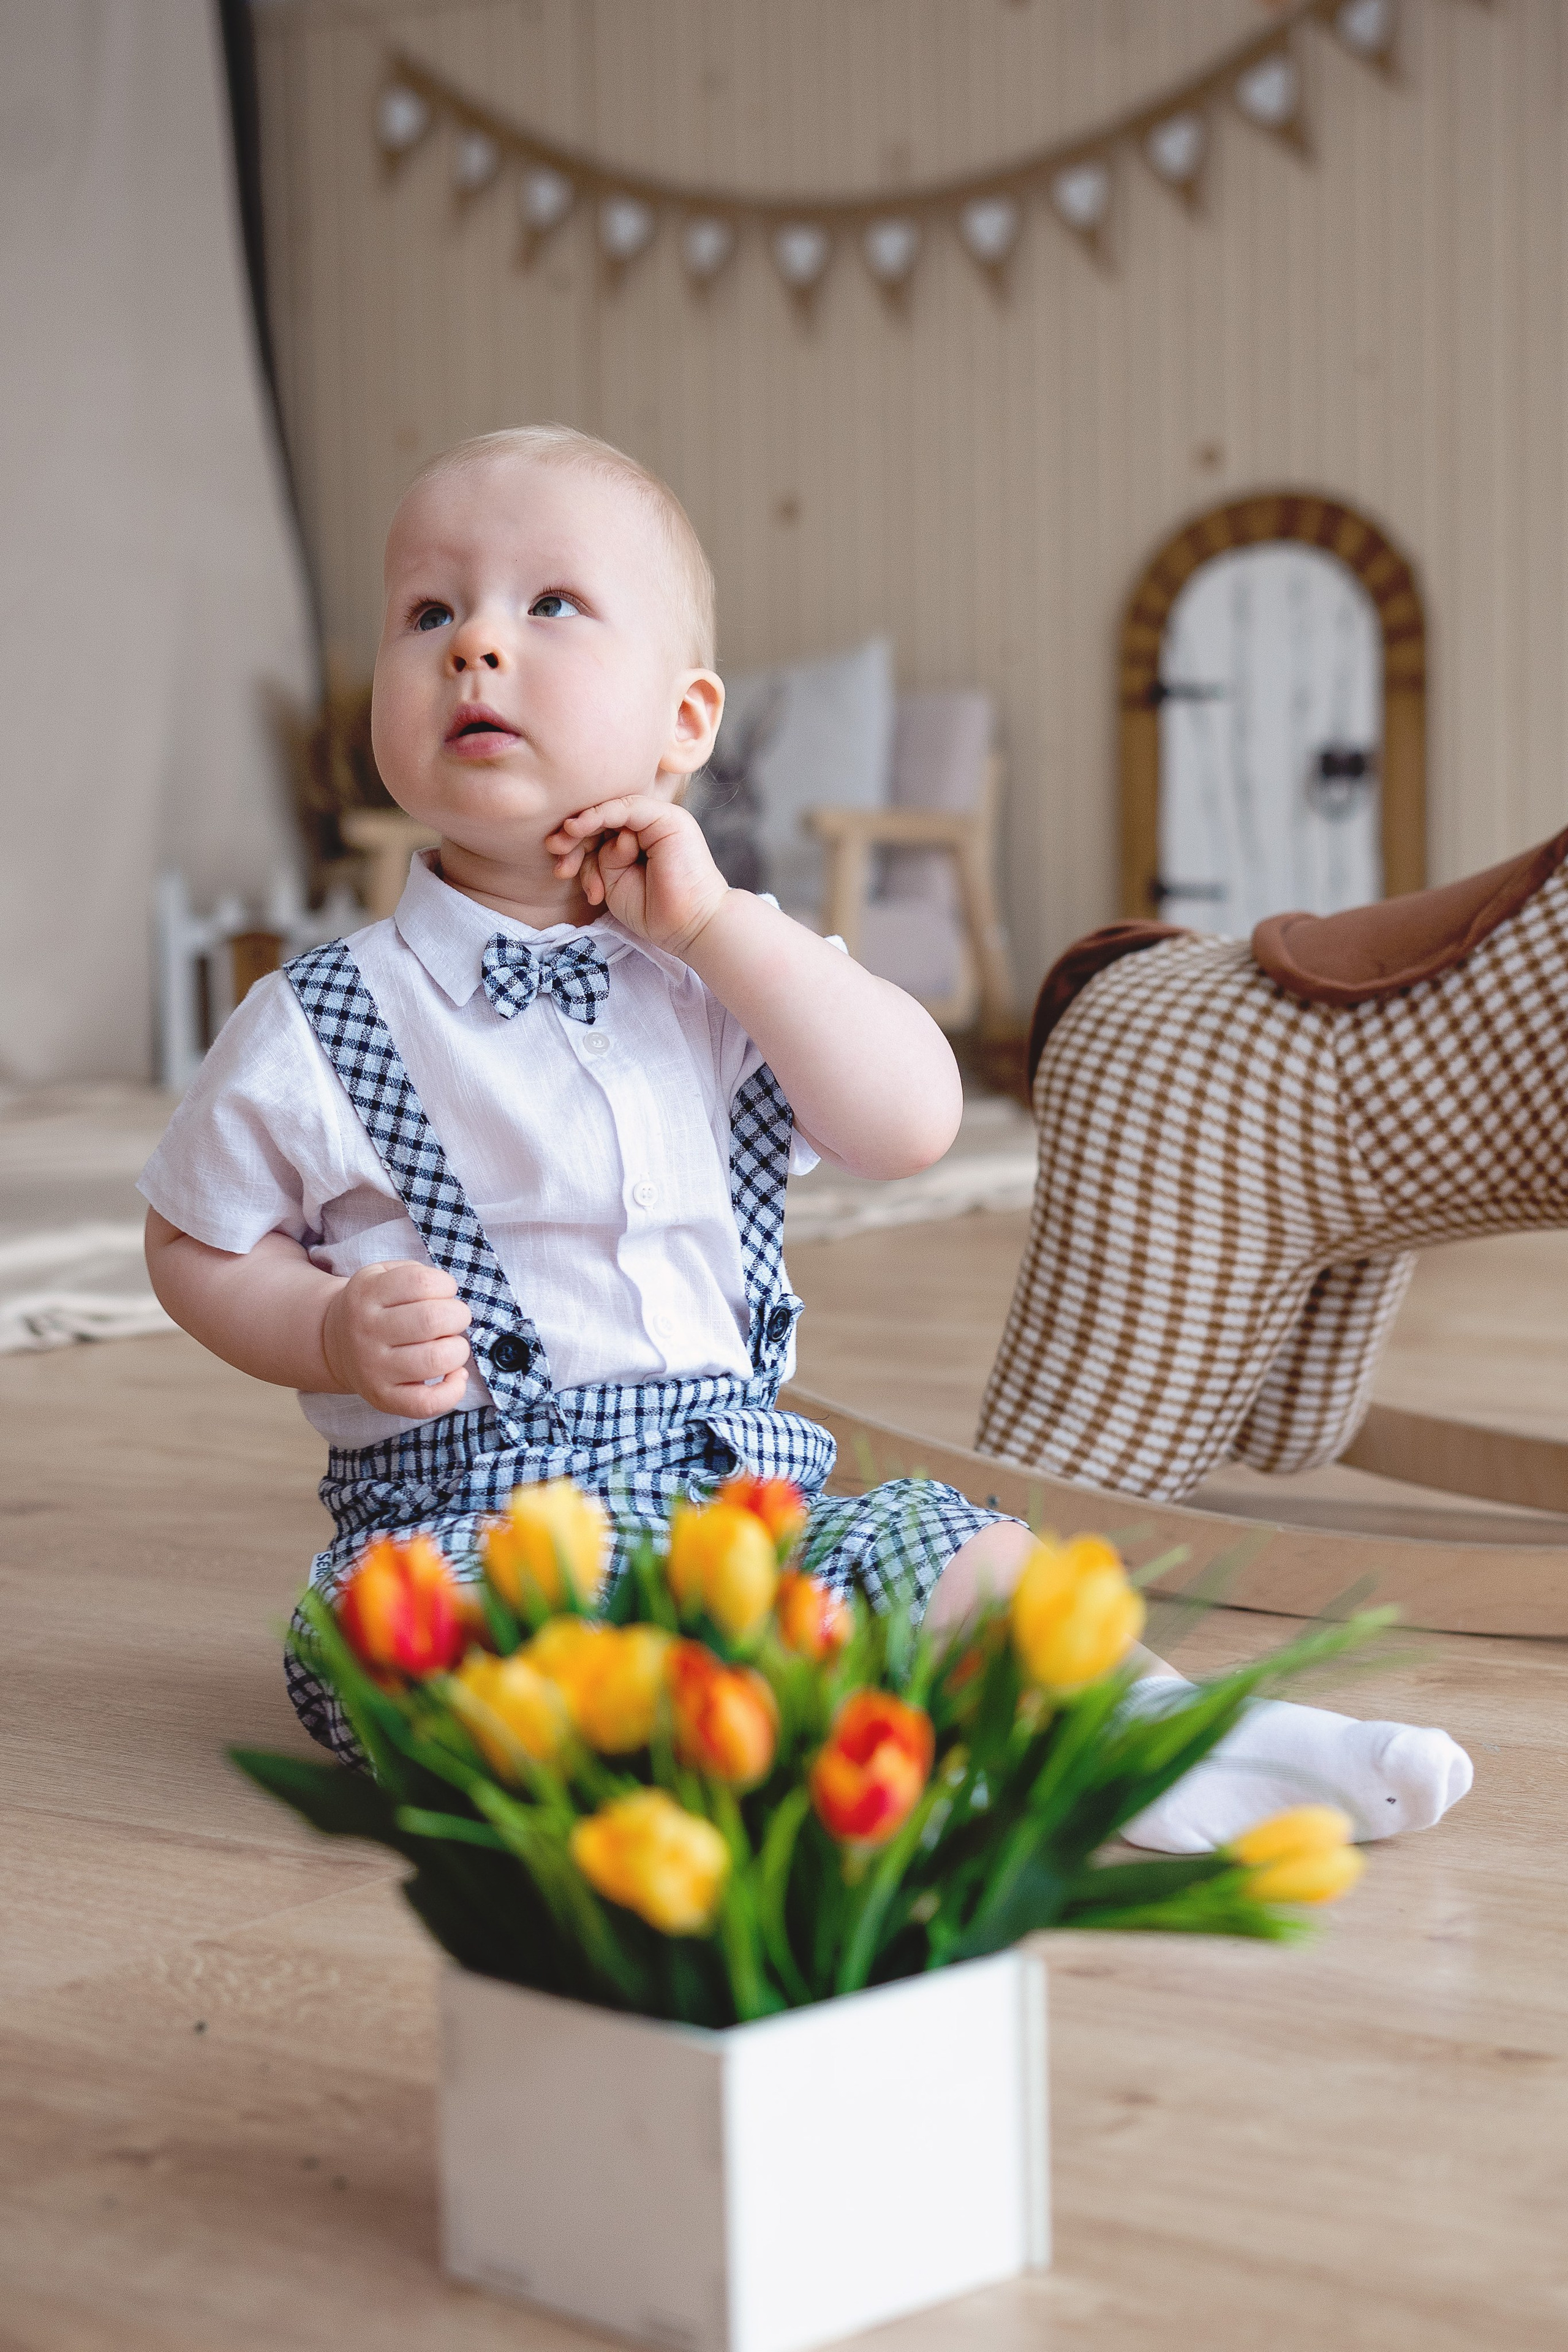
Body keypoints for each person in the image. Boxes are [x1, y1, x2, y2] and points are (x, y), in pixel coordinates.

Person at [140, 424, 1470, 1849]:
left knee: (968, 1554)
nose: (474, 645)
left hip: (747, 1512)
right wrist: (328, 1329)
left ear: (685, 723)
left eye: (549, 606)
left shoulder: (721, 977)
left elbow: (912, 1121)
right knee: (403, 1644)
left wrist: (724, 929)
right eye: (427, 613)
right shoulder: (321, 1017)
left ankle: (1170, 1735)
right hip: (472, 1536)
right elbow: (192, 1243)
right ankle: (821, 1748)